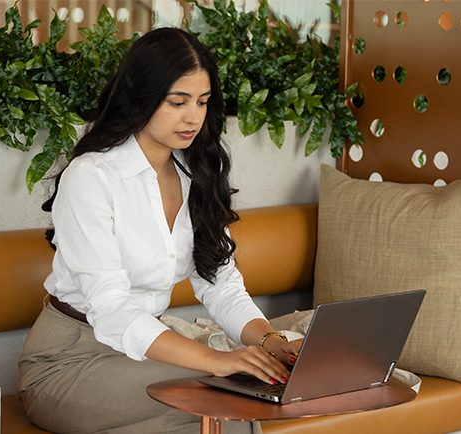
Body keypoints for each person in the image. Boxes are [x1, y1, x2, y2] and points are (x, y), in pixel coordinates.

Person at [18, 27, 302, 434]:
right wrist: (220, 360)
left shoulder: (194, 170)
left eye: (202, 102)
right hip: (71, 362)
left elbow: (221, 284)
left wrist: (268, 341)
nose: (193, 117)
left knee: (263, 391)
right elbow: (113, 310)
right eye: (177, 102)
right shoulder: (92, 177)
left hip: (144, 353)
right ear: (141, 98)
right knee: (226, 402)